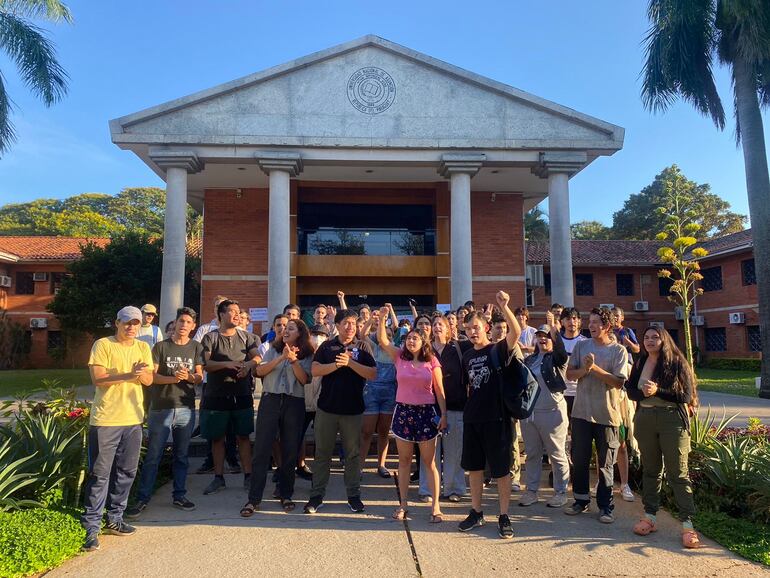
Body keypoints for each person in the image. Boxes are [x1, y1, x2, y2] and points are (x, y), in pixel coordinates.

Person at [81, 306, 154, 552]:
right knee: (100, 474)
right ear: (117, 323)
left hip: (133, 419)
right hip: (106, 420)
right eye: (127, 323)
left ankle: (115, 518)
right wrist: (127, 374)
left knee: (126, 471)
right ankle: (91, 526)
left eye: (136, 323)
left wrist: (139, 375)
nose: (131, 327)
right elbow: (98, 378)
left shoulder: (143, 347)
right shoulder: (103, 345)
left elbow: (149, 380)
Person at [626, 326, 701, 548]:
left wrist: (657, 390)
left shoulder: (676, 362)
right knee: (651, 470)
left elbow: (685, 395)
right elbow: (631, 391)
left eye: (655, 337)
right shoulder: (640, 362)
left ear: (663, 339)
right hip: (645, 418)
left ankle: (688, 524)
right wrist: (645, 393)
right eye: (646, 337)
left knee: (678, 472)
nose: (649, 341)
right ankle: (650, 516)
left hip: (672, 421)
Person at [127, 307, 204, 518]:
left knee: (181, 455)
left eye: (188, 322)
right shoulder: (161, 347)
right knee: (154, 455)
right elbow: (151, 377)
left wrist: (188, 377)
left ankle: (179, 495)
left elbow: (199, 376)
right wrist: (174, 379)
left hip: (185, 408)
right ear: (175, 323)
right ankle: (142, 498)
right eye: (181, 321)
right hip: (161, 407)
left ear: (193, 326)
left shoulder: (196, 347)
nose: (184, 325)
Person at [458, 291, 521, 540]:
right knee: (474, 468)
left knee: (501, 470)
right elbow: (468, 387)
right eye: (468, 329)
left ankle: (504, 515)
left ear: (485, 327)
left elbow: (514, 334)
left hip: (497, 418)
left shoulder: (497, 350)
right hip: (472, 418)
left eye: (476, 327)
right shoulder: (467, 355)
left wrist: (504, 307)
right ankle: (476, 511)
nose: (472, 332)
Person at [376, 306, 447, 522]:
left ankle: (435, 507)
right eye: (408, 338)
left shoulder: (432, 361)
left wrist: (443, 415)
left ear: (423, 341)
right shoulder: (399, 357)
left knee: (429, 462)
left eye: (416, 338)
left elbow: (440, 390)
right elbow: (383, 341)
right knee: (404, 461)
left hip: (426, 414)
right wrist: (382, 319)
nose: (411, 341)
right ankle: (403, 504)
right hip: (404, 412)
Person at [304, 309, 377, 514]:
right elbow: (315, 369)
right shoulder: (328, 346)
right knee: (322, 454)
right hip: (327, 409)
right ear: (337, 325)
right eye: (346, 322)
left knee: (352, 455)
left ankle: (353, 496)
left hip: (353, 410)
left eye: (353, 322)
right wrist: (337, 365)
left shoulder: (363, 347)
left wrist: (350, 363)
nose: (350, 326)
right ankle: (316, 496)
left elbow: (372, 374)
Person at [241, 319, 314, 515]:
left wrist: (293, 360)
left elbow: (304, 379)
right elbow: (259, 371)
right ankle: (254, 499)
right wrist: (281, 358)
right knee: (262, 449)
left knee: (290, 450)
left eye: (290, 328)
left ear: (300, 333)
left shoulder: (307, 354)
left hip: (294, 402)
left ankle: (286, 494)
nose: (284, 330)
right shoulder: (272, 349)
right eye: (283, 328)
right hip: (270, 400)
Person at [565, 307, 629, 523]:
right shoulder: (581, 346)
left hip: (607, 416)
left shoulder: (618, 351)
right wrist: (585, 370)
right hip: (581, 413)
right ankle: (581, 500)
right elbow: (570, 374)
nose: (591, 326)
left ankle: (605, 506)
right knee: (580, 459)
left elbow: (619, 382)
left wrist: (595, 369)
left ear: (607, 326)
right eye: (589, 322)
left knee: (605, 463)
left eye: (596, 322)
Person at [200, 300, 261, 495]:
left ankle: (248, 476)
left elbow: (258, 357)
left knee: (243, 436)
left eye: (238, 312)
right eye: (232, 311)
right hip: (216, 395)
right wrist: (228, 364)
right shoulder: (211, 338)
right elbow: (206, 364)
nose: (237, 315)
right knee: (218, 438)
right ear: (221, 315)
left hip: (242, 393)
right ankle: (218, 478)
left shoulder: (248, 337)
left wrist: (248, 366)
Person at [519, 312, 570, 508]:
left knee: (556, 453)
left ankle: (561, 492)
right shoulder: (530, 360)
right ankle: (531, 492)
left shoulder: (557, 359)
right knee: (532, 454)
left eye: (546, 336)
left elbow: (561, 352)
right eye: (540, 335)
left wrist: (554, 329)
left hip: (552, 413)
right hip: (531, 414)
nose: (542, 338)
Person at [419, 314, 471, 502]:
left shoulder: (459, 347)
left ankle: (454, 489)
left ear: (449, 329)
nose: (437, 327)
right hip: (429, 408)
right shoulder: (425, 350)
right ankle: (427, 489)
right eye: (435, 324)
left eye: (441, 324)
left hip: (456, 406)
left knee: (454, 451)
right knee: (429, 452)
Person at [359, 305, 399, 479]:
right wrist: (371, 320)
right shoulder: (373, 348)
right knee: (367, 431)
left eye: (390, 336)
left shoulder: (397, 353)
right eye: (385, 335)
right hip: (372, 392)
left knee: (384, 431)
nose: (387, 338)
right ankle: (359, 466)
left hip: (389, 393)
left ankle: (381, 465)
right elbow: (362, 335)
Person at [296, 324, 329, 480]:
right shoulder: (302, 355)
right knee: (297, 437)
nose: (318, 338)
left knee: (321, 440)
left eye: (322, 335)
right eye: (315, 334)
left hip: (321, 405)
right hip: (302, 403)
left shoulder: (329, 356)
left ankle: (320, 473)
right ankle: (300, 466)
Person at [559, 308, 587, 420]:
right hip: (561, 392)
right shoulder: (557, 342)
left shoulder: (585, 342)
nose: (572, 322)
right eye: (568, 319)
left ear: (579, 321)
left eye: (575, 318)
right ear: (562, 322)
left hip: (580, 392)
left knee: (578, 429)